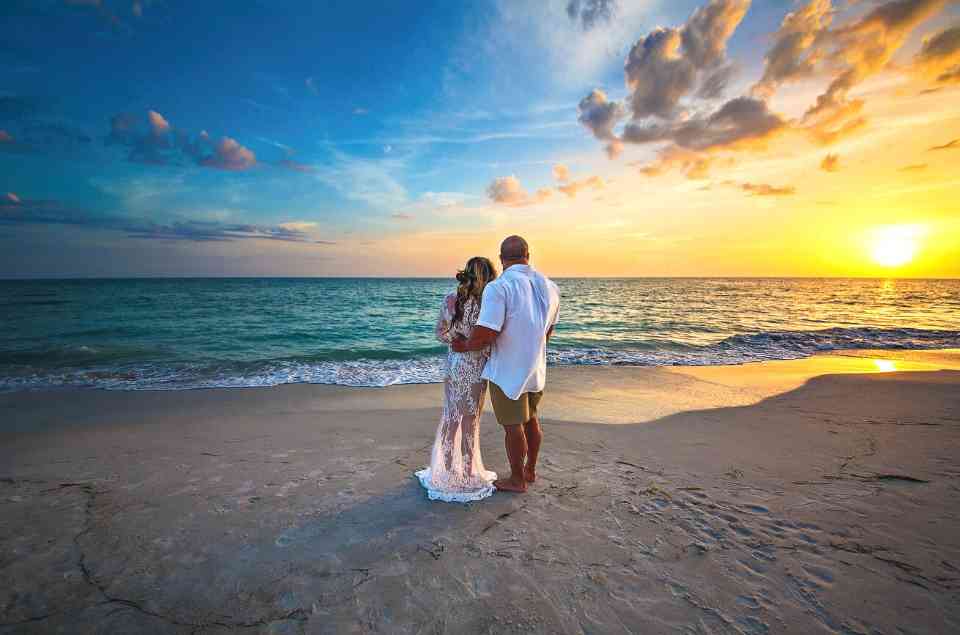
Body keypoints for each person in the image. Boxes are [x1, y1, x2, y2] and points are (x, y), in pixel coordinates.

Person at [451, 236, 560, 493]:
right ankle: (530, 469)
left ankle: (517, 479)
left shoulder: (499, 287)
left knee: (513, 427)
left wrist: (464, 345)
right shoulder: (550, 286)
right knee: (531, 419)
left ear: (501, 259)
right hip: (536, 368)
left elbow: (485, 334)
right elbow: (548, 332)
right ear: (528, 255)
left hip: (507, 371)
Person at [415, 257, 499, 502]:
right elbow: (489, 340)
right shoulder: (488, 303)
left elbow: (439, 333)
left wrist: (456, 340)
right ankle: (466, 474)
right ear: (489, 276)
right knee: (470, 421)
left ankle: (449, 471)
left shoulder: (450, 299)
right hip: (473, 366)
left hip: (453, 364)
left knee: (452, 417)